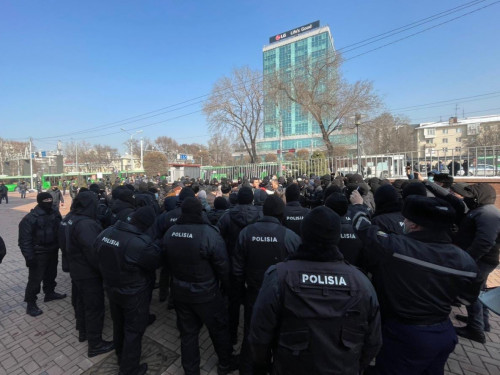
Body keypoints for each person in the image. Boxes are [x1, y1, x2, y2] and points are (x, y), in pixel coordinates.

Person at [351, 191, 480, 374]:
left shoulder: (395, 248)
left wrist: (358, 205)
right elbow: (464, 299)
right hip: (443, 332)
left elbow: (362, 227)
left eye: (406, 219)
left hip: (404, 335)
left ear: (414, 225)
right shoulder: (466, 262)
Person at [249, 206, 381, 374]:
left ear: (304, 234)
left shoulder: (279, 276)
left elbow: (259, 334)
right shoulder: (361, 282)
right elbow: (373, 341)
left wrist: (264, 366)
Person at [162, 197, 238, 375]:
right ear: (200, 212)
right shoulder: (209, 233)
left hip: (180, 291)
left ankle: (191, 370)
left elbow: (164, 260)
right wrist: (227, 288)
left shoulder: (171, 232)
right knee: (218, 329)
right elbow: (222, 265)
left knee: (188, 334)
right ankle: (225, 363)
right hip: (206, 293)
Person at [233, 195, 301, 374]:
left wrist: (240, 291)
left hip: (254, 293)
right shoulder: (290, 237)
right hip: (281, 298)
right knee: (278, 336)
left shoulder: (246, 232)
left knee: (251, 334)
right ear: (282, 213)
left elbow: (237, 268)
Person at [96, 206, 160, 375]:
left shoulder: (107, 232)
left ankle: (120, 356)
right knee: (133, 331)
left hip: (112, 288)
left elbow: (96, 252)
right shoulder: (139, 243)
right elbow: (154, 263)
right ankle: (129, 369)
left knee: (119, 325)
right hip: (133, 293)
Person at [65, 191, 114, 357]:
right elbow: (93, 252)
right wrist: (105, 271)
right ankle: (95, 344)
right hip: (88, 273)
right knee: (94, 307)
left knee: (81, 303)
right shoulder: (86, 224)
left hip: (77, 270)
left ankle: (83, 331)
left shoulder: (72, 218)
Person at [452, 183, 500, 343]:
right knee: (479, 291)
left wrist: (468, 259)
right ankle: (482, 322)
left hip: (480, 261)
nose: (466, 199)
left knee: (472, 293)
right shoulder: (482, 211)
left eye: (470, 197)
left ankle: (475, 329)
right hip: (481, 260)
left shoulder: (487, 214)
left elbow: (484, 242)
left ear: (479, 198)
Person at [18, 192, 66, 316]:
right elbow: (24, 240)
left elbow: (60, 229)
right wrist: (29, 257)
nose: (49, 201)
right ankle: (30, 303)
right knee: (35, 280)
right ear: (40, 201)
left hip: (53, 250)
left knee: (51, 274)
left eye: (50, 198)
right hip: (38, 253)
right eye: (46, 199)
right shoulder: (30, 218)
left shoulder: (55, 213)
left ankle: (50, 293)